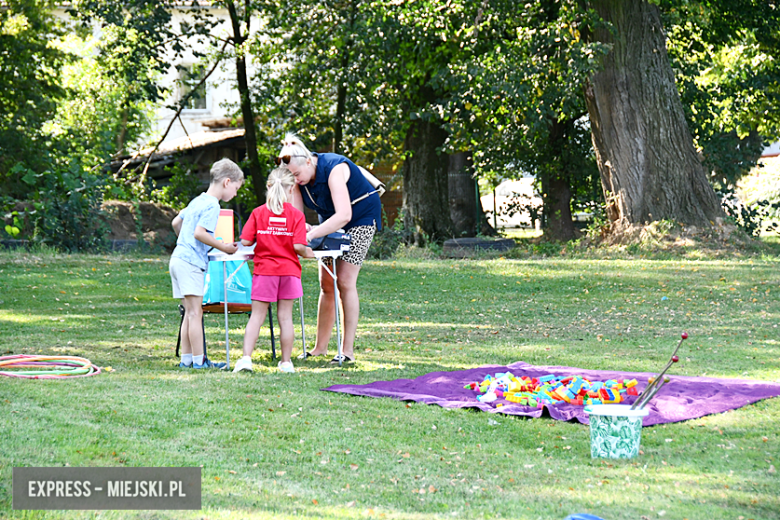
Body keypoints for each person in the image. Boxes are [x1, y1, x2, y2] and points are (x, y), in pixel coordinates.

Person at [277, 133, 382, 364]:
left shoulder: (334, 168)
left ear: (308, 161)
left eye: (297, 174)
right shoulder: (297, 178)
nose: (296, 180)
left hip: (360, 217)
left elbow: (345, 215)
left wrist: (311, 234)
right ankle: (319, 348)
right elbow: (297, 218)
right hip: (331, 221)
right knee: (327, 283)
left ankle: (347, 351)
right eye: (291, 176)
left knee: (344, 281)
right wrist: (296, 235)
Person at [233, 168, 314, 373]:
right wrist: (308, 252)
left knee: (257, 317)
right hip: (289, 271)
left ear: (268, 186)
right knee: (285, 317)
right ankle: (286, 363)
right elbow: (298, 247)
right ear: (291, 189)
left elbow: (244, 240)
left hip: (265, 270)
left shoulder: (258, 212)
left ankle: (246, 359)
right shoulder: (296, 216)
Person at [170, 158, 244, 369]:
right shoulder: (213, 205)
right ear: (227, 182)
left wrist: (183, 241)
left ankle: (187, 360)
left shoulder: (197, 200)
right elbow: (200, 233)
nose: (236, 194)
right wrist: (224, 247)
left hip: (177, 258)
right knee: (195, 313)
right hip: (190, 263)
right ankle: (199, 360)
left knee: (188, 312)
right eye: (236, 189)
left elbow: (176, 222)